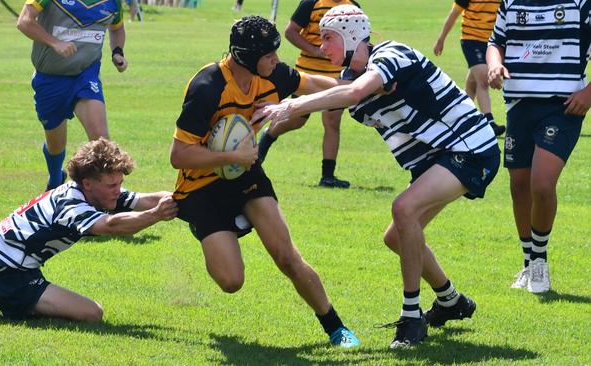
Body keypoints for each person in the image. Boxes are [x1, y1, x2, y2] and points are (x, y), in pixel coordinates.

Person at [252, 5, 501, 348]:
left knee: (404, 210)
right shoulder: (352, 79)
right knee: (395, 238)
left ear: (352, 35)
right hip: (436, 159)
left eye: (328, 38)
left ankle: (411, 318)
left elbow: (353, 93)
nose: (321, 47)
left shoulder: (391, 53)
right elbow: (336, 91)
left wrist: (291, 105)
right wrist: (279, 99)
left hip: (470, 148)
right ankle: (451, 301)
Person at [169, 15, 359, 348]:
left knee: (286, 256)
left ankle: (335, 327)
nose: (277, 60)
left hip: (245, 175)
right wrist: (231, 157)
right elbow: (179, 155)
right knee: (231, 281)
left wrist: (358, 90)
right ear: (246, 57)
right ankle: (215, 227)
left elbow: (314, 85)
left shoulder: (272, 74)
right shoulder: (207, 87)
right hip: (202, 187)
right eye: (269, 55)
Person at [0, 138, 178, 321]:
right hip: (10, 271)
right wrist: (155, 215)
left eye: (120, 184)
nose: (118, 190)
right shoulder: (71, 205)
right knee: (92, 313)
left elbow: (144, 199)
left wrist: (186, 197)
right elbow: (112, 225)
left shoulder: (93, 192)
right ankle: (14, 300)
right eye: (112, 185)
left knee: (4, 289)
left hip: (0, 262)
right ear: (87, 183)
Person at [487, 0, 589, 293]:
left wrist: (589, 93)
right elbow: (496, 42)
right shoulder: (511, 2)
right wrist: (495, 65)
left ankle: (539, 261)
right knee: (519, 186)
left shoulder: (580, 4)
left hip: (563, 106)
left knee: (541, 185)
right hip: (520, 105)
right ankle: (528, 261)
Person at [16, 0, 129, 191]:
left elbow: (117, 28)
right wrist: (55, 43)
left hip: (85, 75)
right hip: (50, 78)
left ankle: (106, 197)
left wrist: (117, 52)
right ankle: (55, 178)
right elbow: (24, 21)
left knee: (101, 139)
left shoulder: (113, 3)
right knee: (56, 145)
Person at [257, 0, 360, 188]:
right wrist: (314, 50)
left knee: (332, 122)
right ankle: (267, 137)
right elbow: (290, 31)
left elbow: (357, 39)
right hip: (307, 73)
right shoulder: (312, 2)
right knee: (297, 119)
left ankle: (327, 176)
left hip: (337, 76)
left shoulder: (352, 6)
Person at [433, 0, 506, 137]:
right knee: (483, 81)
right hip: (472, 40)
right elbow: (454, 14)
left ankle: (458, 120)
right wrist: (441, 39)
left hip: (492, 43)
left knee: (472, 84)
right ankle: (488, 121)